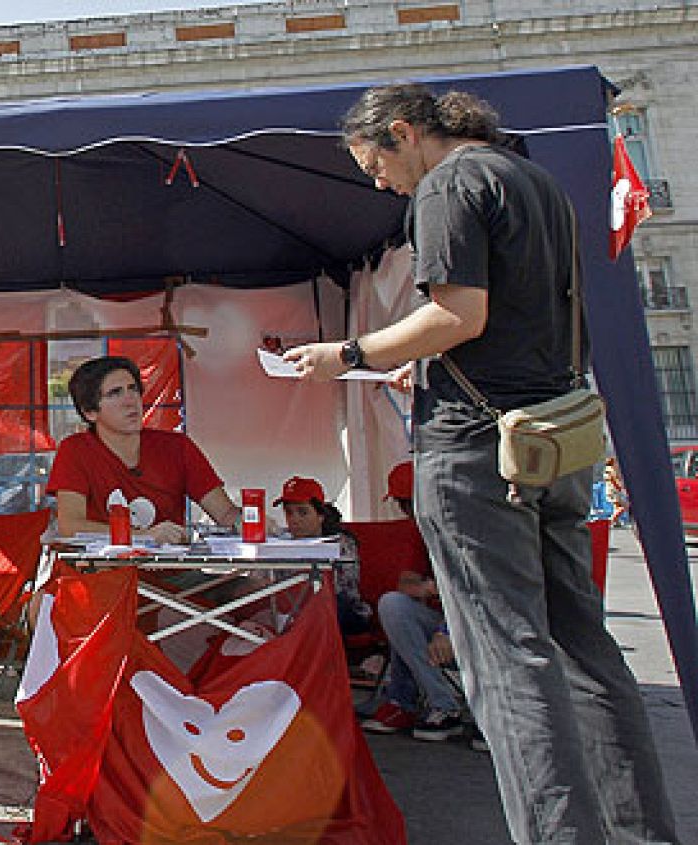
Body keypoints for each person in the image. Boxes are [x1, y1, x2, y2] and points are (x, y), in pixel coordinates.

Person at [284, 84, 675, 842]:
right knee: (587, 651)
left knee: (507, 663)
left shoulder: (447, 187)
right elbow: (511, 321)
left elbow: (458, 312)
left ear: (404, 132)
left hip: (477, 451)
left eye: (376, 166)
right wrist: (425, 363)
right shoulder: (536, 181)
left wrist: (350, 354)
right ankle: (641, 831)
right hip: (551, 437)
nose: (381, 184)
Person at [47, 355, 240, 542]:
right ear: (89, 412)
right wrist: (144, 536)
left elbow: (225, 514)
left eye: (133, 389)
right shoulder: (75, 449)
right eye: (115, 393)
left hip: (172, 564)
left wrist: (248, 520)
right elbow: (70, 527)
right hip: (101, 564)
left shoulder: (177, 446)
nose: (130, 400)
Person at [359, 462, 468, 743]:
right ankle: (442, 703)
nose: (405, 512)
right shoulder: (421, 533)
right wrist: (435, 590)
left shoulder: (464, 527)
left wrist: (447, 628)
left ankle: (405, 699)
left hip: (473, 624)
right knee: (394, 607)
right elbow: (406, 585)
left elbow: (476, 592)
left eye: (406, 504)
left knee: (404, 619)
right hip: (435, 625)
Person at [273, 476, 373, 636]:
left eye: (302, 513)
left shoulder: (340, 543)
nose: (294, 520)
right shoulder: (278, 542)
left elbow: (343, 588)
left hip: (342, 609)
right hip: (294, 610)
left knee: (325, 606)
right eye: (289, 513)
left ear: (320, 515)